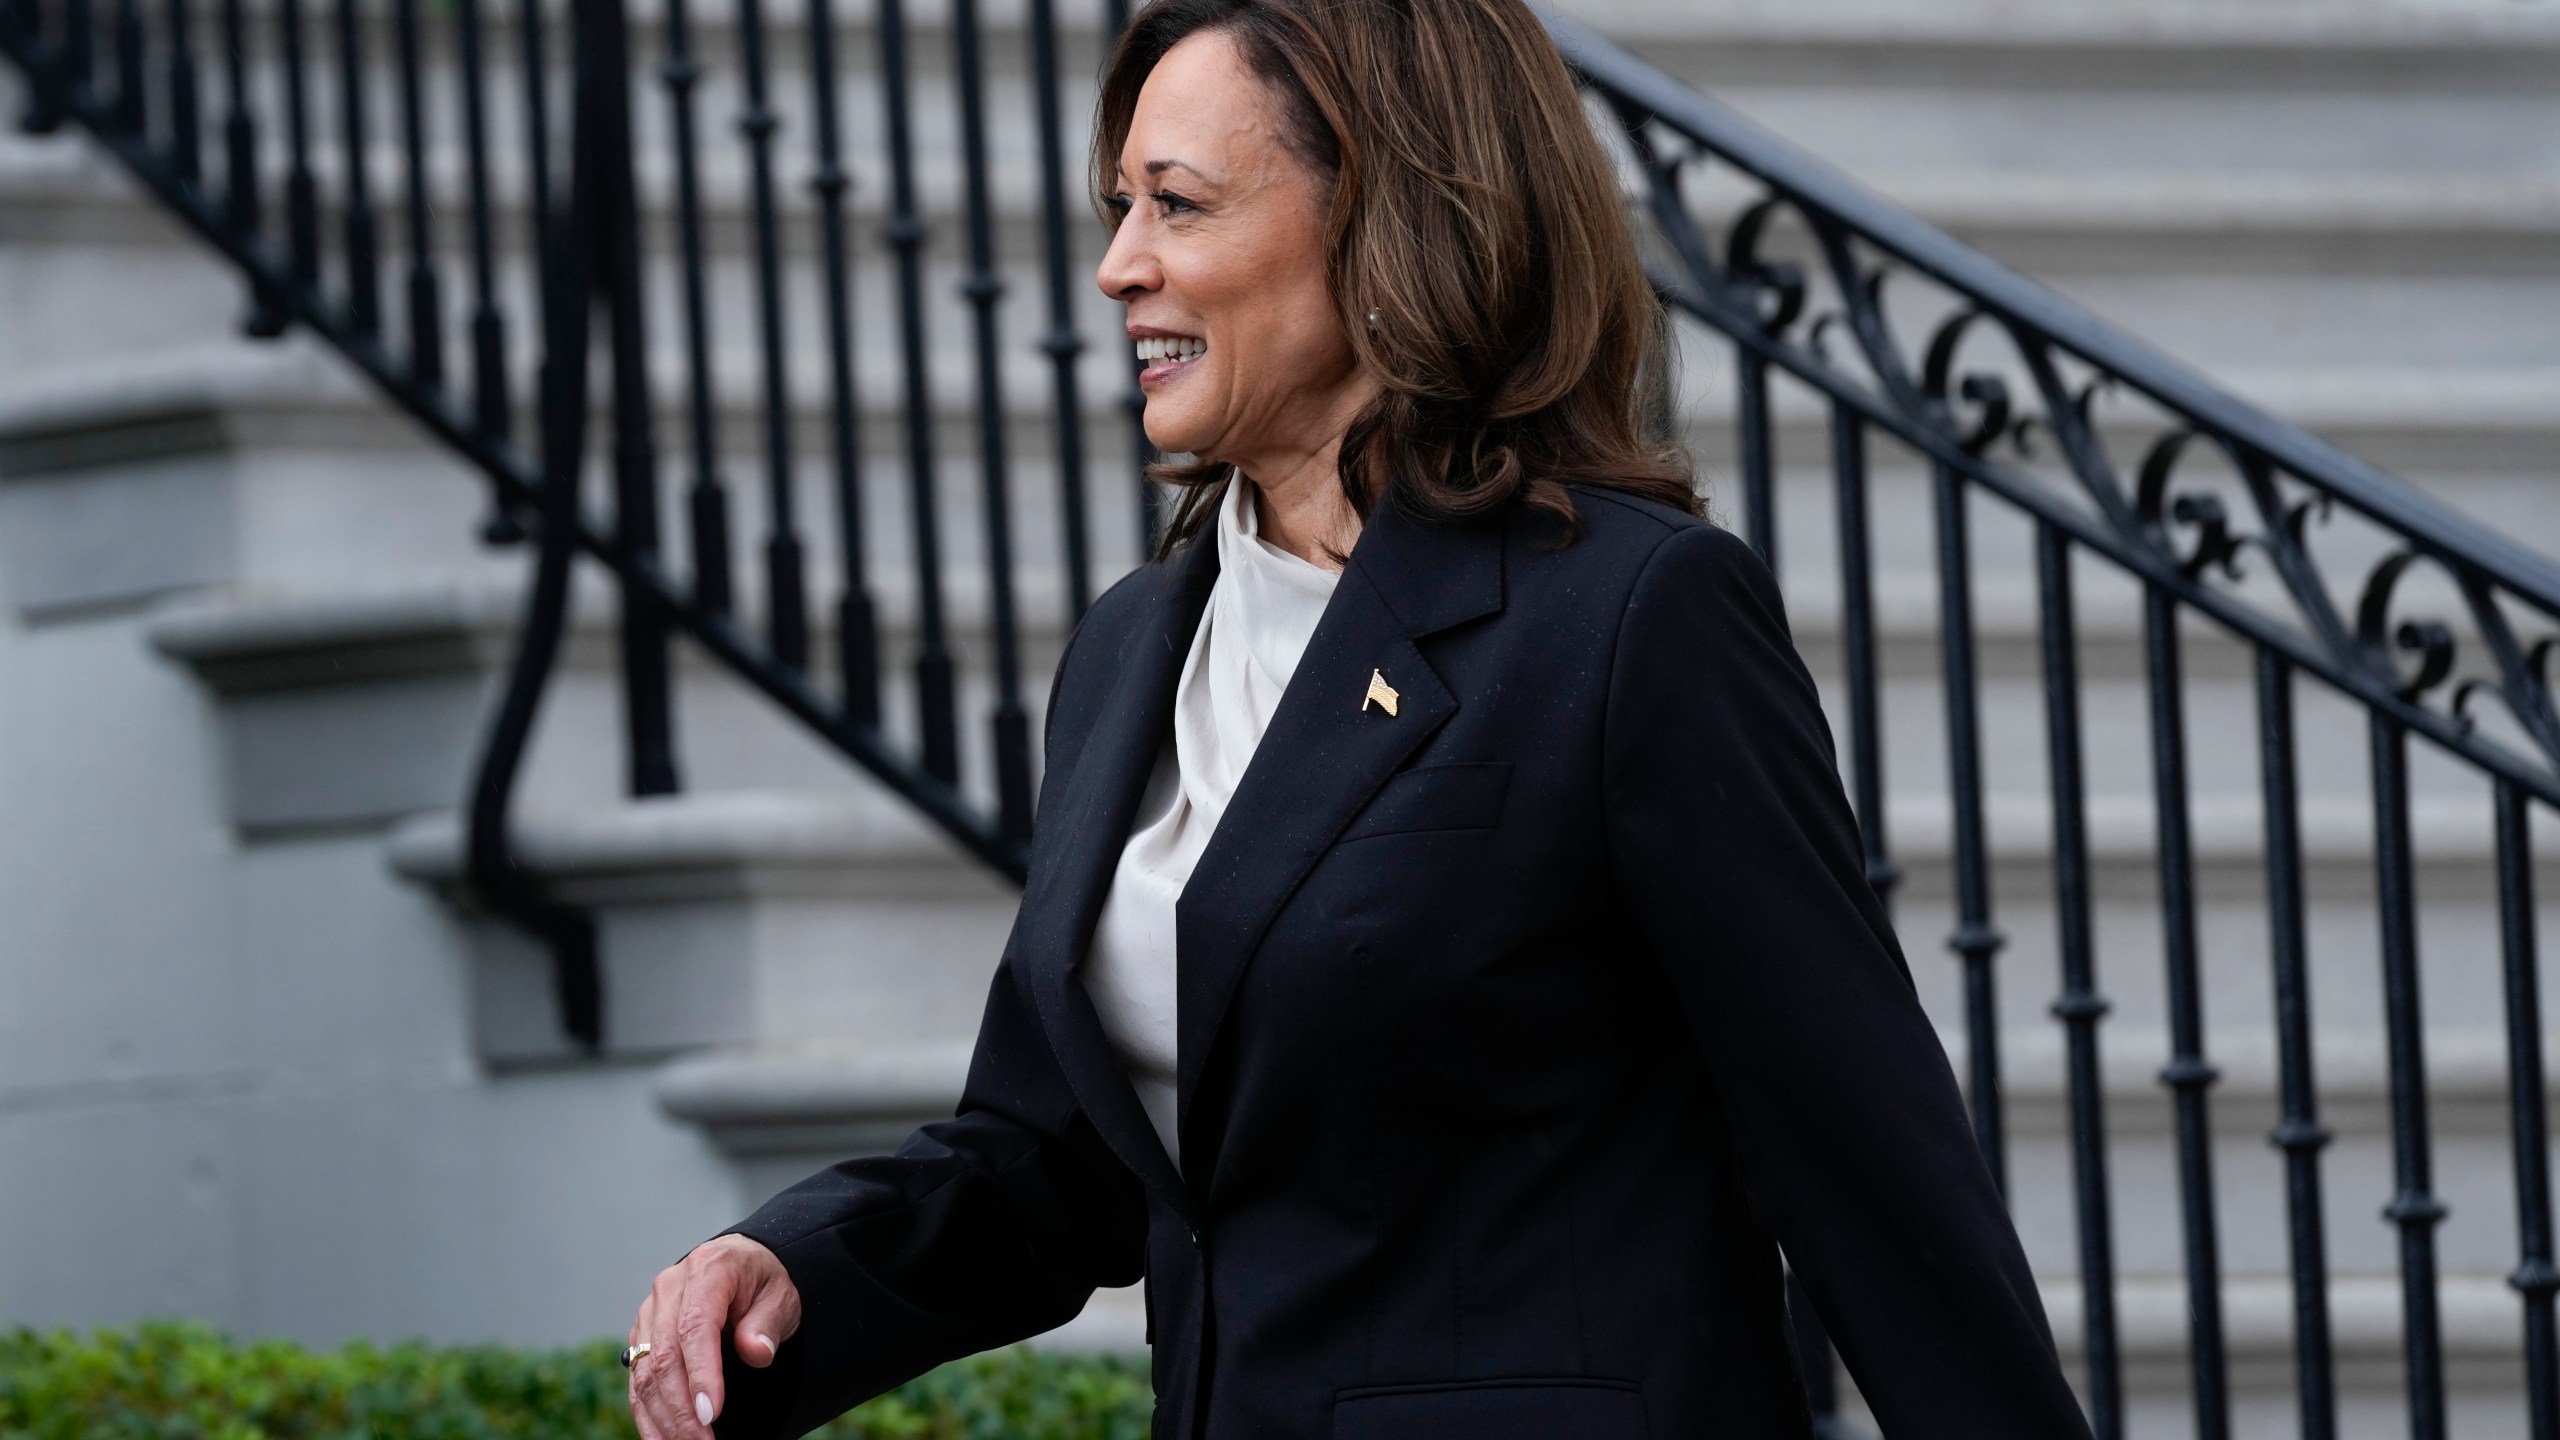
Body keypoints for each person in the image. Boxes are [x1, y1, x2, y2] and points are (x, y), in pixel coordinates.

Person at [624, 0, 2098, 1435]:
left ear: (1385, 219)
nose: (1117, 265)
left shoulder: (1634, 618)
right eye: (1117, 205)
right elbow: (1056, 1159)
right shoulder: (1135, 651)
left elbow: (1864, 1163)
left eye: (1178, 205)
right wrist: (800, 1270)